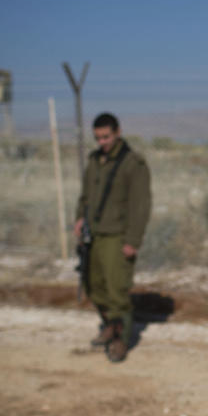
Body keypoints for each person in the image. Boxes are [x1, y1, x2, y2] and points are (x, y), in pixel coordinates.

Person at [74, 113, 152, 363]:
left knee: (117, 290)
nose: (102, 142)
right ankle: (109, 325)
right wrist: (79, 218)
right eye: (98, 138)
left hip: (117, 235)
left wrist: (133, 240)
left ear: (118, 132)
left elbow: (141, 205)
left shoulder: (132, 163)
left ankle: (121, 339)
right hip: (94, 235)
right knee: (94, 286)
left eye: (106, 137)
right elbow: (85, 195)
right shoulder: (95, 161)